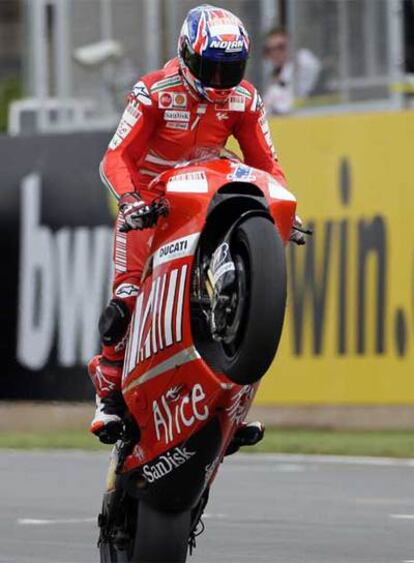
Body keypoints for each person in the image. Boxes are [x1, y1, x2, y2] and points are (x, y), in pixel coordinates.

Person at [88, 4, 288, 444]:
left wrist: (283, 212)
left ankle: (228, 403)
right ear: (186, 55)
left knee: (252, 291)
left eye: (229, 69)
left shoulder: (245, 98)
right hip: (152, 205)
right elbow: (115, 158)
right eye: (210, 69)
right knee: (125, 300)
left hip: (204, 202)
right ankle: (108, 398)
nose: (219, 82)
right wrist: (132, 201)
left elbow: (266, 165)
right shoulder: (154, 92)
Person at [263, 27, 321, 114]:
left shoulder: (302, 61)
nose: (275, 52)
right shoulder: (270, 78)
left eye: (281, 47)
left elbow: (311, 65)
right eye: (270, 49)